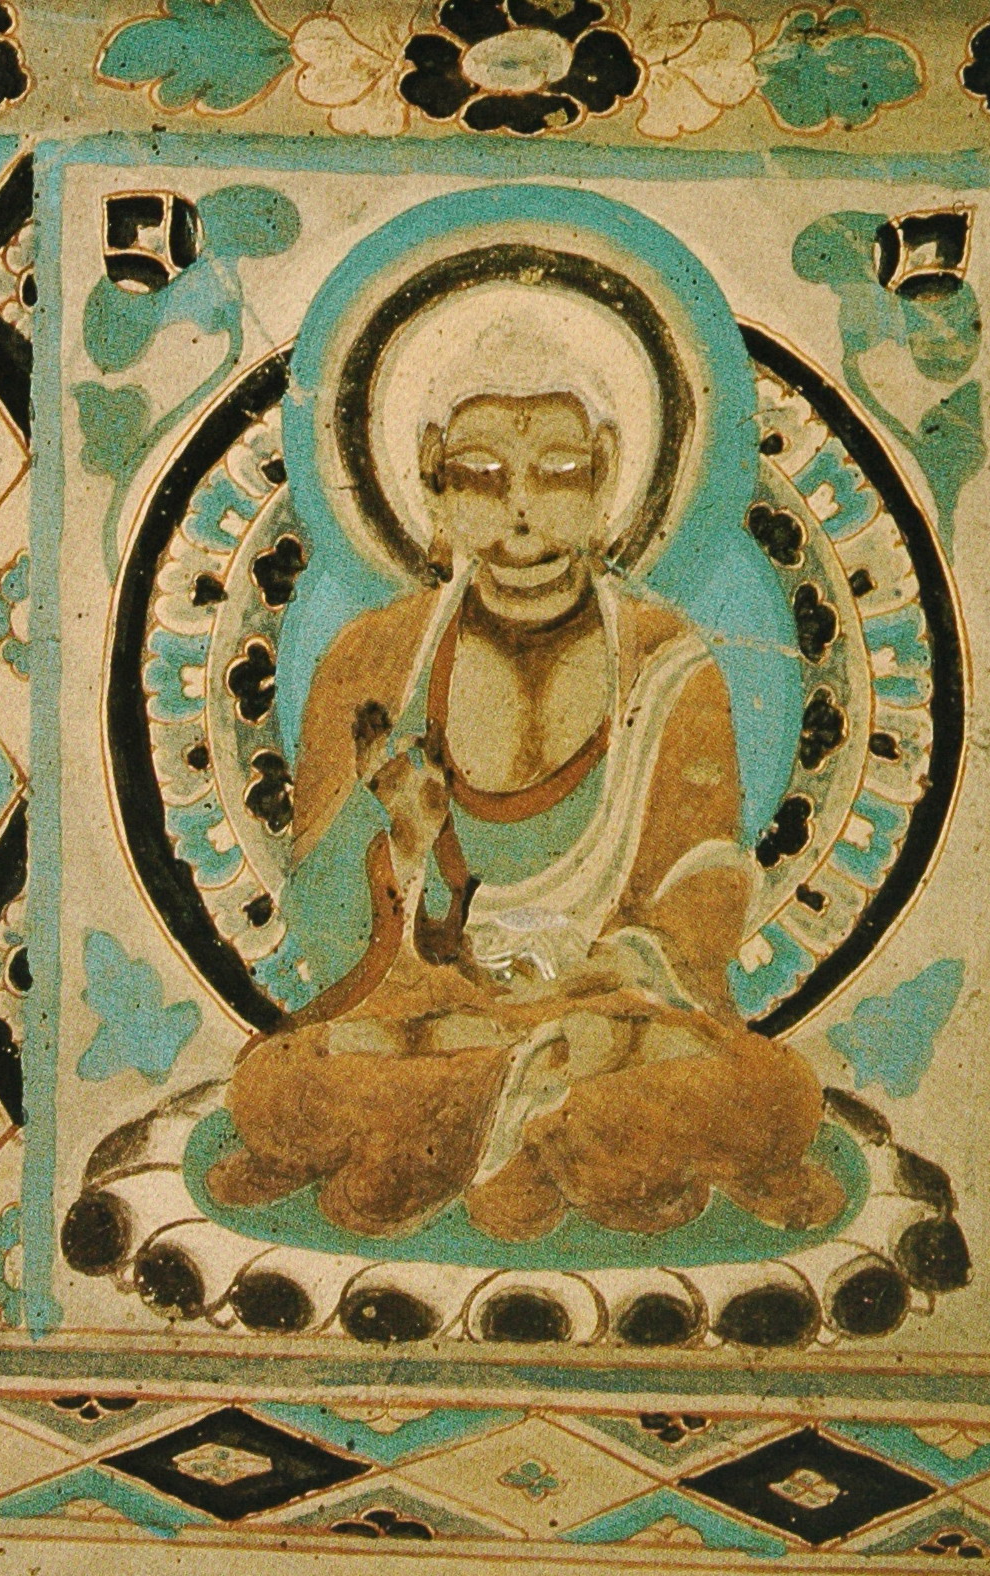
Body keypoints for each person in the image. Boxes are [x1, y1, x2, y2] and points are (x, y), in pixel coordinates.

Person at [207, 304, 843, 1242]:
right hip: (437, 1018)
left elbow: (700, 895)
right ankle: (538, 1132)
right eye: (479, 476)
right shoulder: (374, 661)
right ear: (429, 477)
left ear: (608, 474)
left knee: (772, 1091)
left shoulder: (668, 663)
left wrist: (611, 972)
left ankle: (486, 1129)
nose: (519, 511)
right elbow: (323, 928)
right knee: (278, 1084)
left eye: (556, 473)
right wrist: (403, 848)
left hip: (600, 1020)